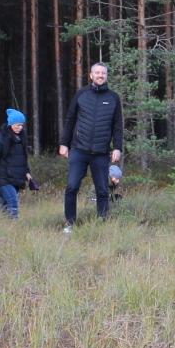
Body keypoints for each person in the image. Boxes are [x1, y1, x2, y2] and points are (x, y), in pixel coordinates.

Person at [59, 62, 124, 232]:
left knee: (102, 190)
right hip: (79, 150)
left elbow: (118, 125)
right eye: (97, 72)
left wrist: (117, 147)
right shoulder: (81, 94)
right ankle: (70, 223)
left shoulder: (113, 98)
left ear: (106, 76)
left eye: (103, 73)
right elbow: (70, 119)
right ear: (91, 75)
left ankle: (102, 224)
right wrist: (64, 143)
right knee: (72, 187)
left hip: (101, 153)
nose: (100, 75)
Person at [0, 109, 32, 218]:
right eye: (17, 125)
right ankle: (14, 225)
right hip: (3, 178)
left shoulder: (21, 138)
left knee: (4, 203)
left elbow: (23, 158)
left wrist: (27, 173)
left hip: (16, 178)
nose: (20, 128)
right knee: (12, 201)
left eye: (22, 125)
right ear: (11, 124)